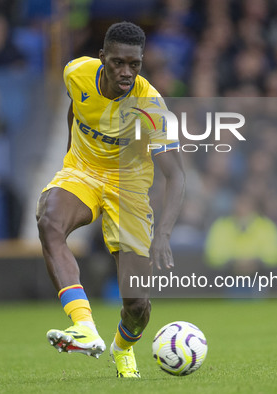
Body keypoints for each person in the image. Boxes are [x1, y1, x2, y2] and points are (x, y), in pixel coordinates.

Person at [36, 22, 185, 378]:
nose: (126, 72)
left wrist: (163, 233)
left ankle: (122, 348)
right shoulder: (76, 73)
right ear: (102, 58)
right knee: (49, 221)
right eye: (118, 62)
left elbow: (176, 175)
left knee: (137, 305)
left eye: (134, 65)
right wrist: (68, 161)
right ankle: (84, 326)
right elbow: (76, 111)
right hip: (83, 170)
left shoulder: (151, 105)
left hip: (130, 187)